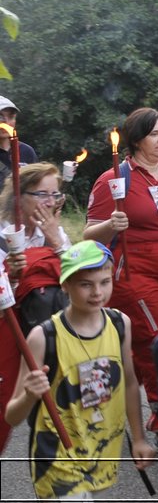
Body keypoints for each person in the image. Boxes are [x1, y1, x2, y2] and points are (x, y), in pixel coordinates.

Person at [81, 107, 158, 455]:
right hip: (135, 273)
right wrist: (111, 225)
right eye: (155, 134)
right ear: (136, 139)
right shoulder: (114, 178)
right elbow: (88, 234)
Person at [4, 240, 154, 499]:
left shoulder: (120, 324)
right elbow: (12, 417)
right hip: (57, 457)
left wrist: (139, 438)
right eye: (86, 284)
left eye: (104, 282)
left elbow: (130, 383)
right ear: (65, 285)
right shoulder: (43, 337)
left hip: (101, 450)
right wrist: (30, 394)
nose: (97, 292)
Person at [0, 163, 71, 453]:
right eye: (42, 194)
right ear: (20, 197)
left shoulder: (55, 233)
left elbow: (81, 285)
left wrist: (57, 242)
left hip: (45, 338)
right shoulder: (2, 236)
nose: (50, 202)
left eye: (55, 195)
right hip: (7, 338)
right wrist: (11, 278)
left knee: (50, 410)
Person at [0, 95, 39, 192]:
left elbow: (35, 188)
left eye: (11, 117)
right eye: (0, 117)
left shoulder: (26, 151)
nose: (6, 122)